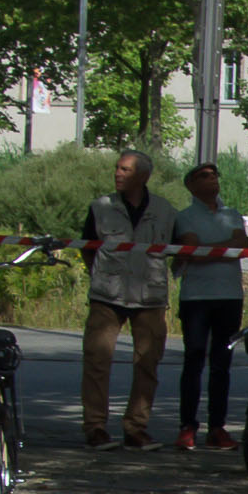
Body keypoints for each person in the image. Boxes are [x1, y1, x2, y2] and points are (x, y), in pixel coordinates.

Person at [79, 149, 173, 450]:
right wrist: (100, 276)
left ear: (143, 176)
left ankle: (136, 428)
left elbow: (178, 249)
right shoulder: (100, 207)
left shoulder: (165, 210)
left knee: (147, 363)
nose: (118, 173)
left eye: (126, 170)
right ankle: (95, 427)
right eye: (117, 168)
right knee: (96, 360)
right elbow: (87, 248)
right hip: (107, 295)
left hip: (150, 297)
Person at [172, 163, 248, 451]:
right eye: (204, 176)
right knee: (194, 359)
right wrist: (226, 247)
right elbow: (194, 252)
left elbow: (243, 245)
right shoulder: (185, 217)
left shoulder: (232, 215)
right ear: (191, 185)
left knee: (222, 363)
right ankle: (187, 426)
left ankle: (217, 427)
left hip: (230, 295)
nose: (212, 180)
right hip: (196, 297)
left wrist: (218, 248)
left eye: (215, 174)